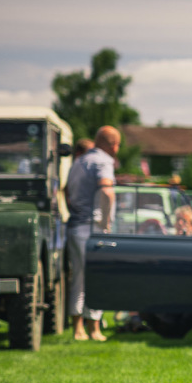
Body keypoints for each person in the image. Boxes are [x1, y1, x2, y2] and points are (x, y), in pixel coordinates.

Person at [65, 125, 120, 342]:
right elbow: (106, 190)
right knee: (97, 279)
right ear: (112, 144)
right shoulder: (102, 161)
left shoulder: (79, 161)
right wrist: (105, 223)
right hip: (92, 228)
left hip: (75, 225)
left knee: (77, 279)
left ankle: (78, 329)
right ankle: (94, 329)